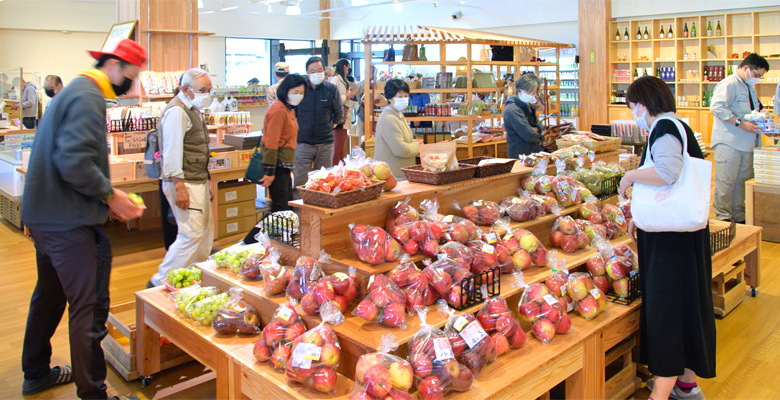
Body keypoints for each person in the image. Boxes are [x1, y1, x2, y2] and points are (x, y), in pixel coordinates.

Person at [20, 38, 147, 400]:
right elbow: (74, 162)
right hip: (68, 223)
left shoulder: (72, 90)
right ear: (114, 66)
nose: (131, 84)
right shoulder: (88, 95)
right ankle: (94, 394)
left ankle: (36, 373)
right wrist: (111, 195)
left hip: (46, 217)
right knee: (89, 309)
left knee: (48, 296)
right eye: (131, 75)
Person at [618, 76, 716, 400]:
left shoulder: (663, 128)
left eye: (632, 107)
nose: (633, 113)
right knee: (686, 307)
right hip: (683, 237)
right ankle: (687, 386)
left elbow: (667, 172)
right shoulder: (680, 125)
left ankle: (661, 391)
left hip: (670, 245)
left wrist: (630, 176)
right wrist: (640, 218)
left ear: (643, 105)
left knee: (667, 312)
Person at [149, 68, 215, 287]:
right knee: (191, 233)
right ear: (186, 89)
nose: (207, 94)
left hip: (197, 180)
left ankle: (197, 275)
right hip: (184, 182)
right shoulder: (177, 112)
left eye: (209, 90)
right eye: (203, 90)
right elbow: (172, 152)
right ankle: (160, 280)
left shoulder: (192, 108)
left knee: (204, 231)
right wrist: (179, 187)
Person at [710, 53, 769, 223]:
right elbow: (717, 107)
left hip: (748, 143)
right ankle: (723, 219)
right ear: (746, 69)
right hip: (729, 142)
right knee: (726, 183)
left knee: (741, 183)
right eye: (757, 75)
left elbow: (752, 112)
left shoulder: (749, 87)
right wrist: (740, 123)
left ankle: (738, 216)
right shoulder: (729, 84)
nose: (758, 79)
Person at [292, 56, 343, 197]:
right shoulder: (300, 90)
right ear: (307, 73)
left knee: (324, 183)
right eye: (312, 71)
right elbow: (293, 113)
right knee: (300, 183)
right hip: (303, 143)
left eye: (319, 70)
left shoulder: (331, 89)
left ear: (324, 70)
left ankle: (321, 214)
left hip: (325, 144)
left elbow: (339, 114)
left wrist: (328, 126)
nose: (316, 73)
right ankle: (298, 214)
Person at [258, 74, 306, 212]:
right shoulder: (278, 110)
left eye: (301, 93)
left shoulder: (288, 108)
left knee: (284, 207)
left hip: (284, 165)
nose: (299, 95)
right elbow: (271, 142)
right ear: (286, 90)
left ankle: (268, 233)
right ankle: (256, 234)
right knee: (281, 209)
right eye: (295, 92)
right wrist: (269, 172)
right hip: (276, 166)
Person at [374, 79, 421, 179]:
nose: (404, 99)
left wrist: (415, 141)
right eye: (400, 96)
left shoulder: (397, 113)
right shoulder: (389, 118)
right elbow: (401, 150)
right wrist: (418, 146)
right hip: (394, 175)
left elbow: (403, 139)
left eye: (406, 96)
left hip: (400, 171)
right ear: (390, 98)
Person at [504, 72, 544, 158]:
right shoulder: (512, 109)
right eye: (529, 92)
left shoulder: (528, 105)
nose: (532, 95)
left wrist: (537, 129)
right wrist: (539, 134)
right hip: (520, 154)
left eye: (534, 93)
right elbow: (527, 134)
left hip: (533, 151)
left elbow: (538, 126)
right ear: (519, 90)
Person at [329, 59, 355, 164]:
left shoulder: (342, 79)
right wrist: (346, 96)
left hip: (343, 116)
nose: (348, 71)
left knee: (340, 148)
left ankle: (339, 169)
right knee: (337, 148)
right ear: (343, 67)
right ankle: (335, 170)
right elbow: (331, 98)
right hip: (339, 118)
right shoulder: (335, 80)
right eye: (347, 68)